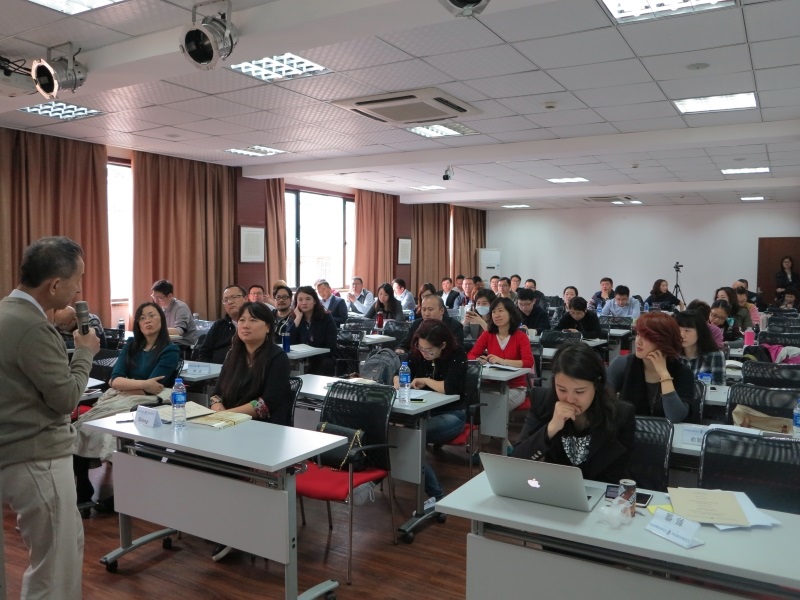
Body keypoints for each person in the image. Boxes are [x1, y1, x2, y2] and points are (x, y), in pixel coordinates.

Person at [0, 236, 99, 599]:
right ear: (55, 285)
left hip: (12, 450)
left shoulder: (7, 313)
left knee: (55, 552)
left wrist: (53, 328)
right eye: (77, 280)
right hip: (37, 457)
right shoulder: (32, 327)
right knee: (55, 564)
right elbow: (66, 398)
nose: (79, 290)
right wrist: (84, 352)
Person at [73, 302, 180, 507]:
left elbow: (154, 388)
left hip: (147, 404)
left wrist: (130, 385)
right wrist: (142, 384)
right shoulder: (131, 346)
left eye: (152, 315)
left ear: (161, 319)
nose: (147, 320)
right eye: (142, 317)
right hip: (119, 396)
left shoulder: (170, 350)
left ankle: (122, 493)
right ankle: (83, 488)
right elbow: (114, 380)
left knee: (112, 435)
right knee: (80, 426)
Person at [512, 344, 635, 484]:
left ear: (596, 385)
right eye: (562, 389)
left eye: (579, 392)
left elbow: (617, 475)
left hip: (598, 493)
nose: (570, 399)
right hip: (554, 488)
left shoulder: (620, 415)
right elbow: (517, 460)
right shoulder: (543, 402)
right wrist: (551, 428)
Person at [392, 320, 466, 507]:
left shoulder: (457, 354)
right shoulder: (417, 352)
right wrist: (398, 380)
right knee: (399, 436)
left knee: (408, 439)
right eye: (421, 348)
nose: (424, 353)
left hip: (453, 414)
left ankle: (437, 495)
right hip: (423, 413)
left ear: (443, 345)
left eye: (429, 350)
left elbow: (450, 387)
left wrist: (425, 380)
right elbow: (399, 372)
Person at [209, 302, 292, 424]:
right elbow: (216, 394)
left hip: (263, 426)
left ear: (268, 327)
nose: (245, 325)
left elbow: (267, 404)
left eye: (253, 320)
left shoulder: (278, 357)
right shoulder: (233, 354)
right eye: (242, 320)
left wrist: (227, 415)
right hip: (228, 422)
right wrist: (218, 410)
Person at [607, 312, 695, 422]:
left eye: (647, 337)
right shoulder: (622, 364)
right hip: (630, 429)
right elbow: (602, 402)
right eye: (638, 334)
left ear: (664, 341)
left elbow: (675, 417)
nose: (638, 341)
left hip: (668, 432)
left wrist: (664, 374)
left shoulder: (683, 373)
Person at [468, 297, 534, 412]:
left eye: (500, 311)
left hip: (515, 388)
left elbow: (528, 362)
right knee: (475, 404)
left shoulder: (521, 337)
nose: (496, 315)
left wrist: (502, 361)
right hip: (491, 386)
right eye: (493, 312)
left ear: (511, 313)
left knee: (493, 409)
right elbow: (471, 355)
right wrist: (478, 360)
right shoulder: (488, 334)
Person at [290, 285, 337, 375]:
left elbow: (331, 346)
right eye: (300, 300)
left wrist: (313, 354)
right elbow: (288, 342)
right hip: (299, 359)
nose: (304, 303)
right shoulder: (294, 317)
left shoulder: (325, 317)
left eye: (308, 299)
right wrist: (298, 318)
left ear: (315, 301)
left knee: (326, 363)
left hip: (321, 359)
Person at [194, 285, 247, 364]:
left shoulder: (256, 323)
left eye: (234, 297)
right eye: (226, 300)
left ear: (246, 299)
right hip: (216, 369)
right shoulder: (219, 325)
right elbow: (205, 352)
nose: (230, 302)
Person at [396, 295, 464, 354]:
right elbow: (405, 345)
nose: (426, 314)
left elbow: (456, 351)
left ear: (442, 310)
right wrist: (401, 350)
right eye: (424, 309)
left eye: (430, 309)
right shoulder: (416, 324)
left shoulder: (454, 326)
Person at [674, 310, 725, 385]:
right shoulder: (672, 354)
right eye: (678, 330)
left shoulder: (715, 355)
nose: (681, 335)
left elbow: (718, 387)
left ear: (700, 332)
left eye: (687, 330)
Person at [150, 279, 198, 352]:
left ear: (170, 296)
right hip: (169, 342)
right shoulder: (161, 308)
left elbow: (179, 331)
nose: (155, 301)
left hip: (184, 345)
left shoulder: (181, 308)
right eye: (154, 297)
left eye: (159, 298)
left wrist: (157, 330)